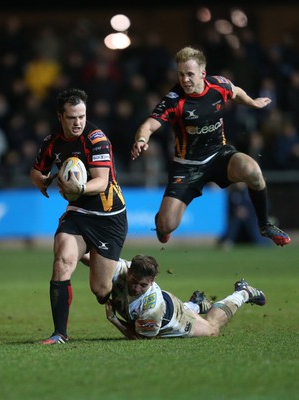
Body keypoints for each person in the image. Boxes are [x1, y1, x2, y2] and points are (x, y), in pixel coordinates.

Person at [131, 46, 291, 247]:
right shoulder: (174, 100)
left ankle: (265, 225)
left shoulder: (218, 85)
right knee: (166, 225)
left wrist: (252, 103)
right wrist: (141, 140)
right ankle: (161, 224)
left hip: (219, 155)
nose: (185, 79)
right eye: (181, 74)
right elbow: (148, 125)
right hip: (187, 166)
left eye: (190, 74)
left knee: (253, 171)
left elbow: (235, 91)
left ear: (203, 74)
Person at [30, 88, 128, 344]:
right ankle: (59, 334)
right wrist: (41, 180)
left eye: (82, 116)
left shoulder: (96, 139)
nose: (78, 123)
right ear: (60, 117)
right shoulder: (51, 142)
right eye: (72, 117)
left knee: (100, 290)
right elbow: (35, 170)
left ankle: (114, 265)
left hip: (108, 216)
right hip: (77, 213)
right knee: (61, 261)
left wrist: (80, 188)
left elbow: (102, 182)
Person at [101, 254, 266, 339]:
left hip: (173, 318)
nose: (136, 288)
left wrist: (114, 319)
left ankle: (244, 292)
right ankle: (195, 305)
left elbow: (139, 337)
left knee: (212, 329)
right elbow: (95, 260)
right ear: (129, 271)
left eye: (143, 285)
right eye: (134, 281)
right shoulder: (121, 268)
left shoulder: (153, 309)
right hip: (167, 302)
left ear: (152, 281)